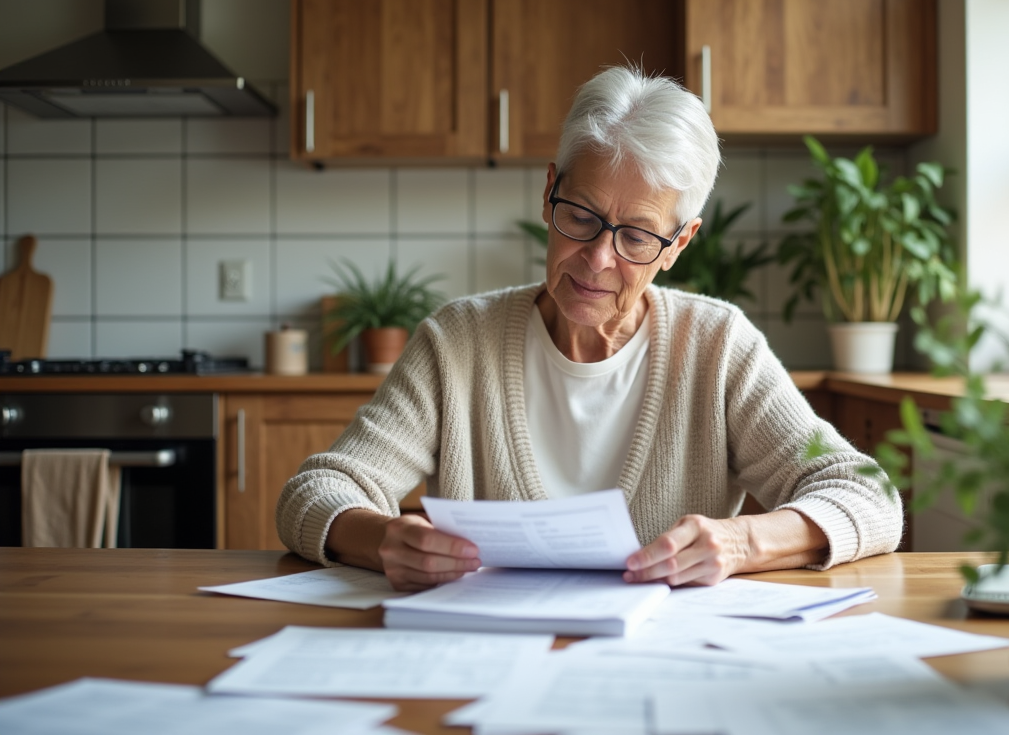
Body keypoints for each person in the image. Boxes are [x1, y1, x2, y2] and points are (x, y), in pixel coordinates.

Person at [276, 65, 902, 591]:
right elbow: (315, 492)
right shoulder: (457, 343)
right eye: (581, 216)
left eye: (636, 235)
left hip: (670, 660)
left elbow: (869, 496)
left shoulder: (718, 347)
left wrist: (743, 541)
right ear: (549, 193)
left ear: (678, 244)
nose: (598, 259)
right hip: (485, 655)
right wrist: (384, 539)